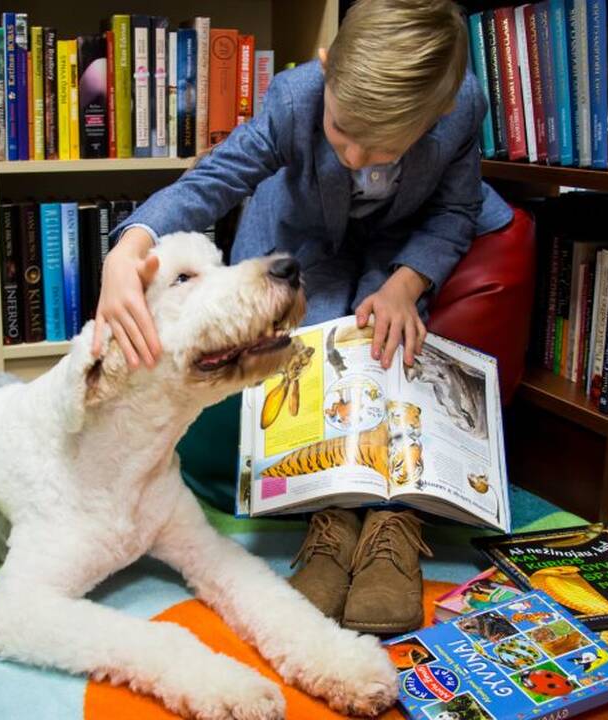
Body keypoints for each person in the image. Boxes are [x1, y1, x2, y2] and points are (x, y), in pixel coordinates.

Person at [93, 0, 513, 634]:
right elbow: (212, 181)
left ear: (439, 116)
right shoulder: (295, 99)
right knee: (308, 348)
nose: (354, 156)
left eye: (381, 145)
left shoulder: (462, 110)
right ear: (325, 67)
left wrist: (406, 283)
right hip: (302, 236)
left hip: (398, 244)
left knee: (393, 340)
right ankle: (330, 512)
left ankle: (391, 516)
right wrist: (128, 246)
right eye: (342, 130)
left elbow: (453, 214)